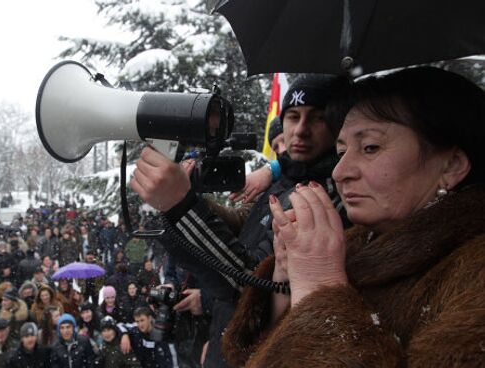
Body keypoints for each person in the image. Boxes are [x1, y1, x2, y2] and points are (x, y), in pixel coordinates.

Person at [221, 67, 485, 366]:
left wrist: (321, 290)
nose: (339, 172)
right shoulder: (350, 246)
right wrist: (284, 281)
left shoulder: (474, 277)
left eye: (370, 147)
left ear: (451, 166)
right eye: (341, 150)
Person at [131, 74, 349, 368]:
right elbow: (245, 234)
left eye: (317, 118)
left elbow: (253, 288)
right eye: (293, 116)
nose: (300, 130)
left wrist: (181, 206)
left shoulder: (327, 197)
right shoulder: (285, 178)